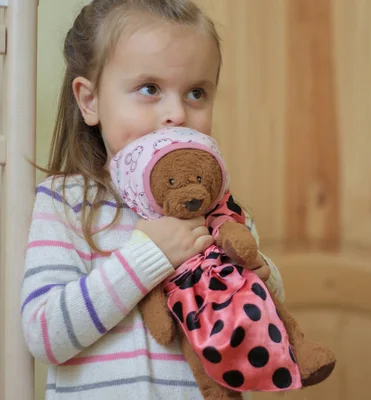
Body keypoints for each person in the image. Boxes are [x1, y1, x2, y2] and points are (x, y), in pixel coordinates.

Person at [19, 1, 285, 398]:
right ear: (90, 101)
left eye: (196, 93)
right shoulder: (66, 202)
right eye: (150, 89)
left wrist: (266, 277)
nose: (176, 113)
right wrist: (148, 258)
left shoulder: (218, 209)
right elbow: (44, 335)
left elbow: (261, 319)